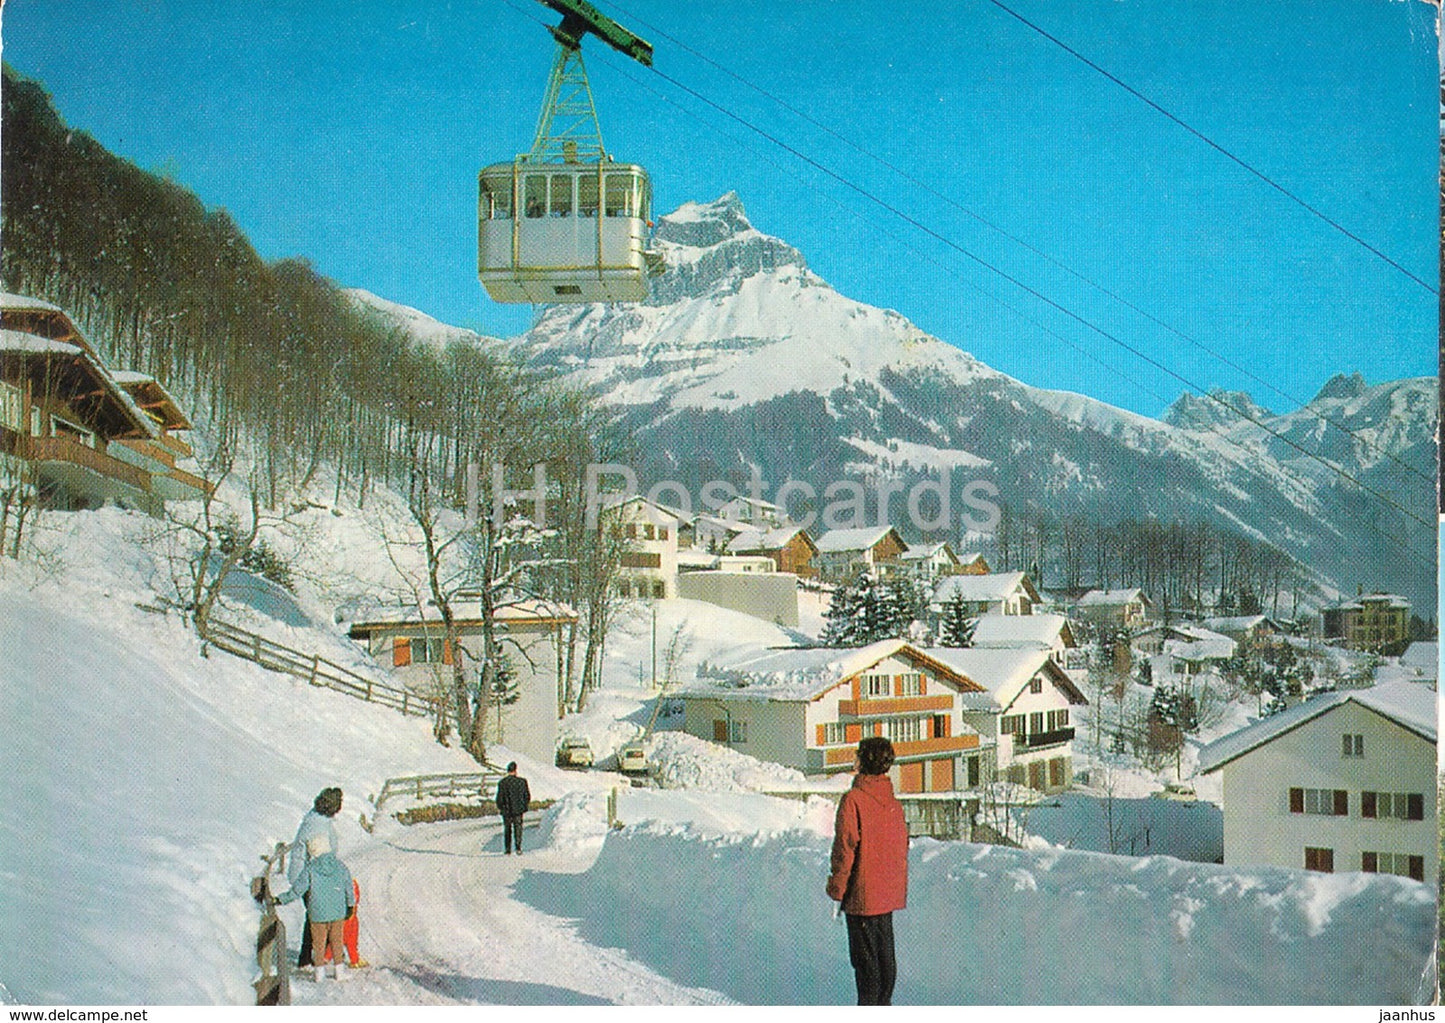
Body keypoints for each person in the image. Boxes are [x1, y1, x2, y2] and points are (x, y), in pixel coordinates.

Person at [825, 737, 909, 1006]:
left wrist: (837, 889)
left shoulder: (854, 800)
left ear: (864, 761)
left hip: (862, 897)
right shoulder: (893, 802)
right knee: (885, 963)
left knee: (866, 967)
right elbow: (900, 845)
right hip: (887, 896)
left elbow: (845, 848)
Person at [276, 835, 356, 982]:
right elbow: (349, 888)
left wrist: (281, 899)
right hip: (337, 912)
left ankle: (319, 974)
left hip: (317, 913)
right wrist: (350, 905)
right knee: (336, 941)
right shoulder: (340, 866)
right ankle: (340, 972)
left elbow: (298, 890)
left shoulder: (310, 868)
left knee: (318, 944)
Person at [289, 787, 343, 967]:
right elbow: (320, 857)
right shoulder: (317, 827)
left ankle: (310, 956)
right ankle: (312, 957)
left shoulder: (315, 818)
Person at [495, 762, 531, 855]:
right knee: (518, 828)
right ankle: (518, 847)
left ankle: (508, 849)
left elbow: (499, 798)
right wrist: (524, 806)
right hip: (518, 810)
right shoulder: (522, 782)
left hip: (506, 810)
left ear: (508, 771)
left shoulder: (502, 783)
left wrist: (501, 807)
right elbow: (527, 796)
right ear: (515, 770)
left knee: (507, 829)